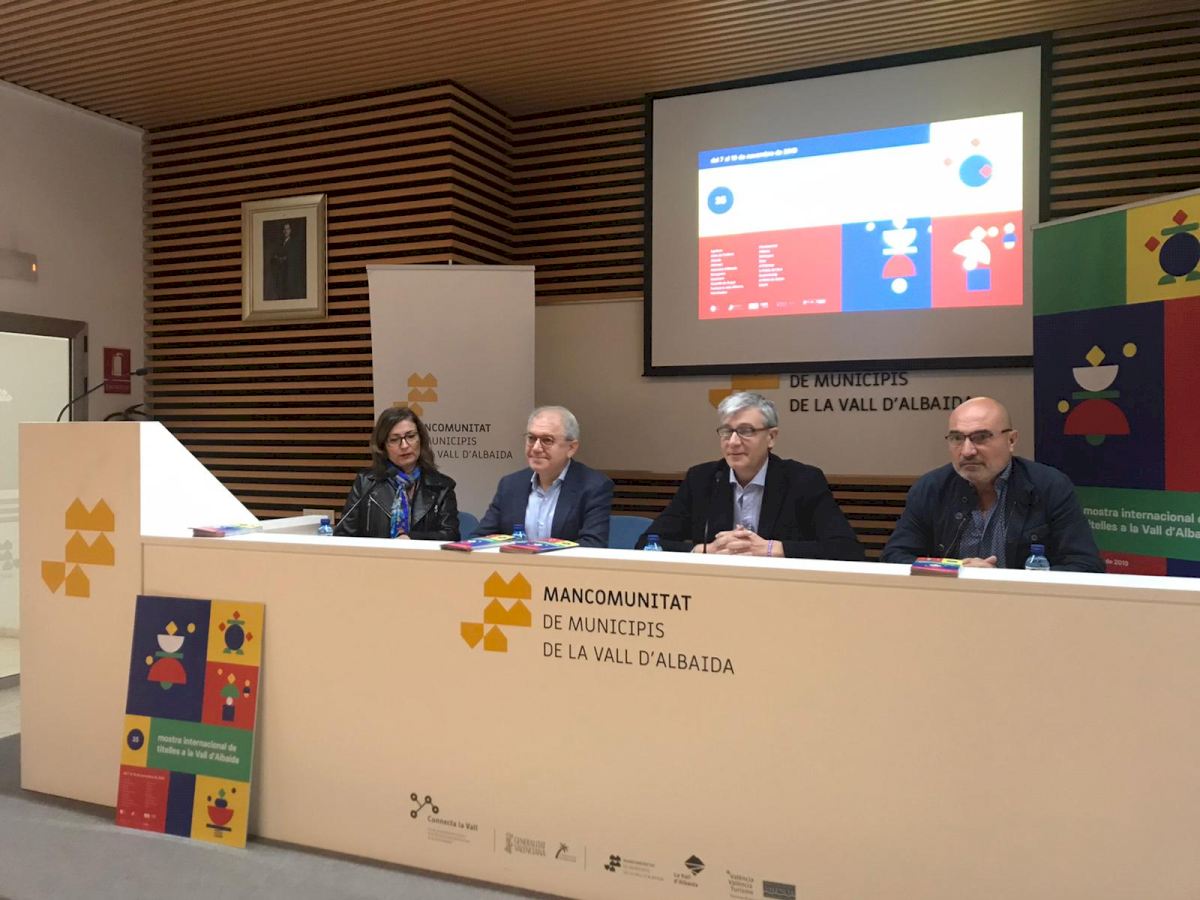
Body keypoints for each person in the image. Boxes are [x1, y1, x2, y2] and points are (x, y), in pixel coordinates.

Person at [881, 396, 1103, 571]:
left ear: (1011, 440)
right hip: (947, 603)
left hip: (1026, 607)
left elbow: (1086, 565)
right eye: (957, 438)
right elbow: (894, 557)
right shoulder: (931, 488)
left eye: (981, 437)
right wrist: (955, 570)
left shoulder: (1049, 486)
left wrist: (1001, 580)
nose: (967, 451)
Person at [637, 392, 864, 559]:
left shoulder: (802, 480)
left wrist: (771, 549)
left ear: (771, 437)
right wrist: (704, 550)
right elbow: (647, 544)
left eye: (746, 431)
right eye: (727, 431)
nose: (733, 442)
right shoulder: (702, 479)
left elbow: (847, 550)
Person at [473, 406, 613, 547]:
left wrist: (541, 554)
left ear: (571, 448)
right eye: (531, 438)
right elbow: (479, 539)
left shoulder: (593, 486)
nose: (536, 448)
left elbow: (593, 545)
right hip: (514, 562)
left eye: (547, 440)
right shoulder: (510, 485)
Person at [337, 406, 460, 540]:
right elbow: (343, 535)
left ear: (420, 439)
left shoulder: (442, 486)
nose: (404, 445)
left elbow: (451, 535)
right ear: (383, 446)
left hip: (420, 554)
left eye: (410, 436)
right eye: (394, 440)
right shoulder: (367, 483)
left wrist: (411, 539)